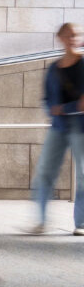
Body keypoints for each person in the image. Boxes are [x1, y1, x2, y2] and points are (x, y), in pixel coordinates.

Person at [29, 23, 84, 236]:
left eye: (76, 35)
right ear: (60, 38)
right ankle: (41, 220)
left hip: (81, 127)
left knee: (82, 174)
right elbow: (46, 99)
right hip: (58, 126)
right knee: (44, 171)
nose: (73, 38)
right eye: (69, 35)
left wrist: (62, 108)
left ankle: (81, 223)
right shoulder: (54, 68)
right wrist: (56, 111)